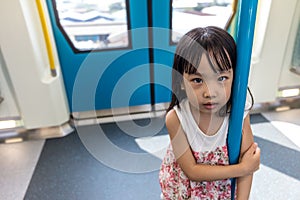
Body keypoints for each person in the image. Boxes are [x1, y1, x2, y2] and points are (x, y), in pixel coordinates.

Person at [159, 26, 260, 200]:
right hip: (186, 192)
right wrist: (242, 168)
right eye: (197, 80)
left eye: (221, 78)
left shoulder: (238, 113)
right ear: (181, 81)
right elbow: (192, 171)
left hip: (222, 192)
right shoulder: (177, 118)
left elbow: (248, 166)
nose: (210, 92)